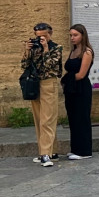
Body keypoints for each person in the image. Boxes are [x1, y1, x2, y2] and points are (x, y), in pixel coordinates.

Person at [21, 21, 63, 166]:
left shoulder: (56, 48)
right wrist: (27, 51)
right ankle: (52, 151)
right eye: (38, 36)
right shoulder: (33, 47)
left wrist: (45, 48)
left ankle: (45, 154)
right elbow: (24, 65)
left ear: (50, 34)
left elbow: (49, 65)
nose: (40, 39)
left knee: (48, 119)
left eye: (43, 36)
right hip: (34, 83)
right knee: (40, 119)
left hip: (48, 83)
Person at [62, 24, 94, 160]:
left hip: (81, 88)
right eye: (71, 35)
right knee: (73, 118)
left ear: (82, 36)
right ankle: (75, 148)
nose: (72, 38)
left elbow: (81, 74)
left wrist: (66, 78)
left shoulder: (87, 52)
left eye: (75, 35)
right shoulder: (73, 51)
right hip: (71, 89)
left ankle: (85, 151)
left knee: (82, 118)